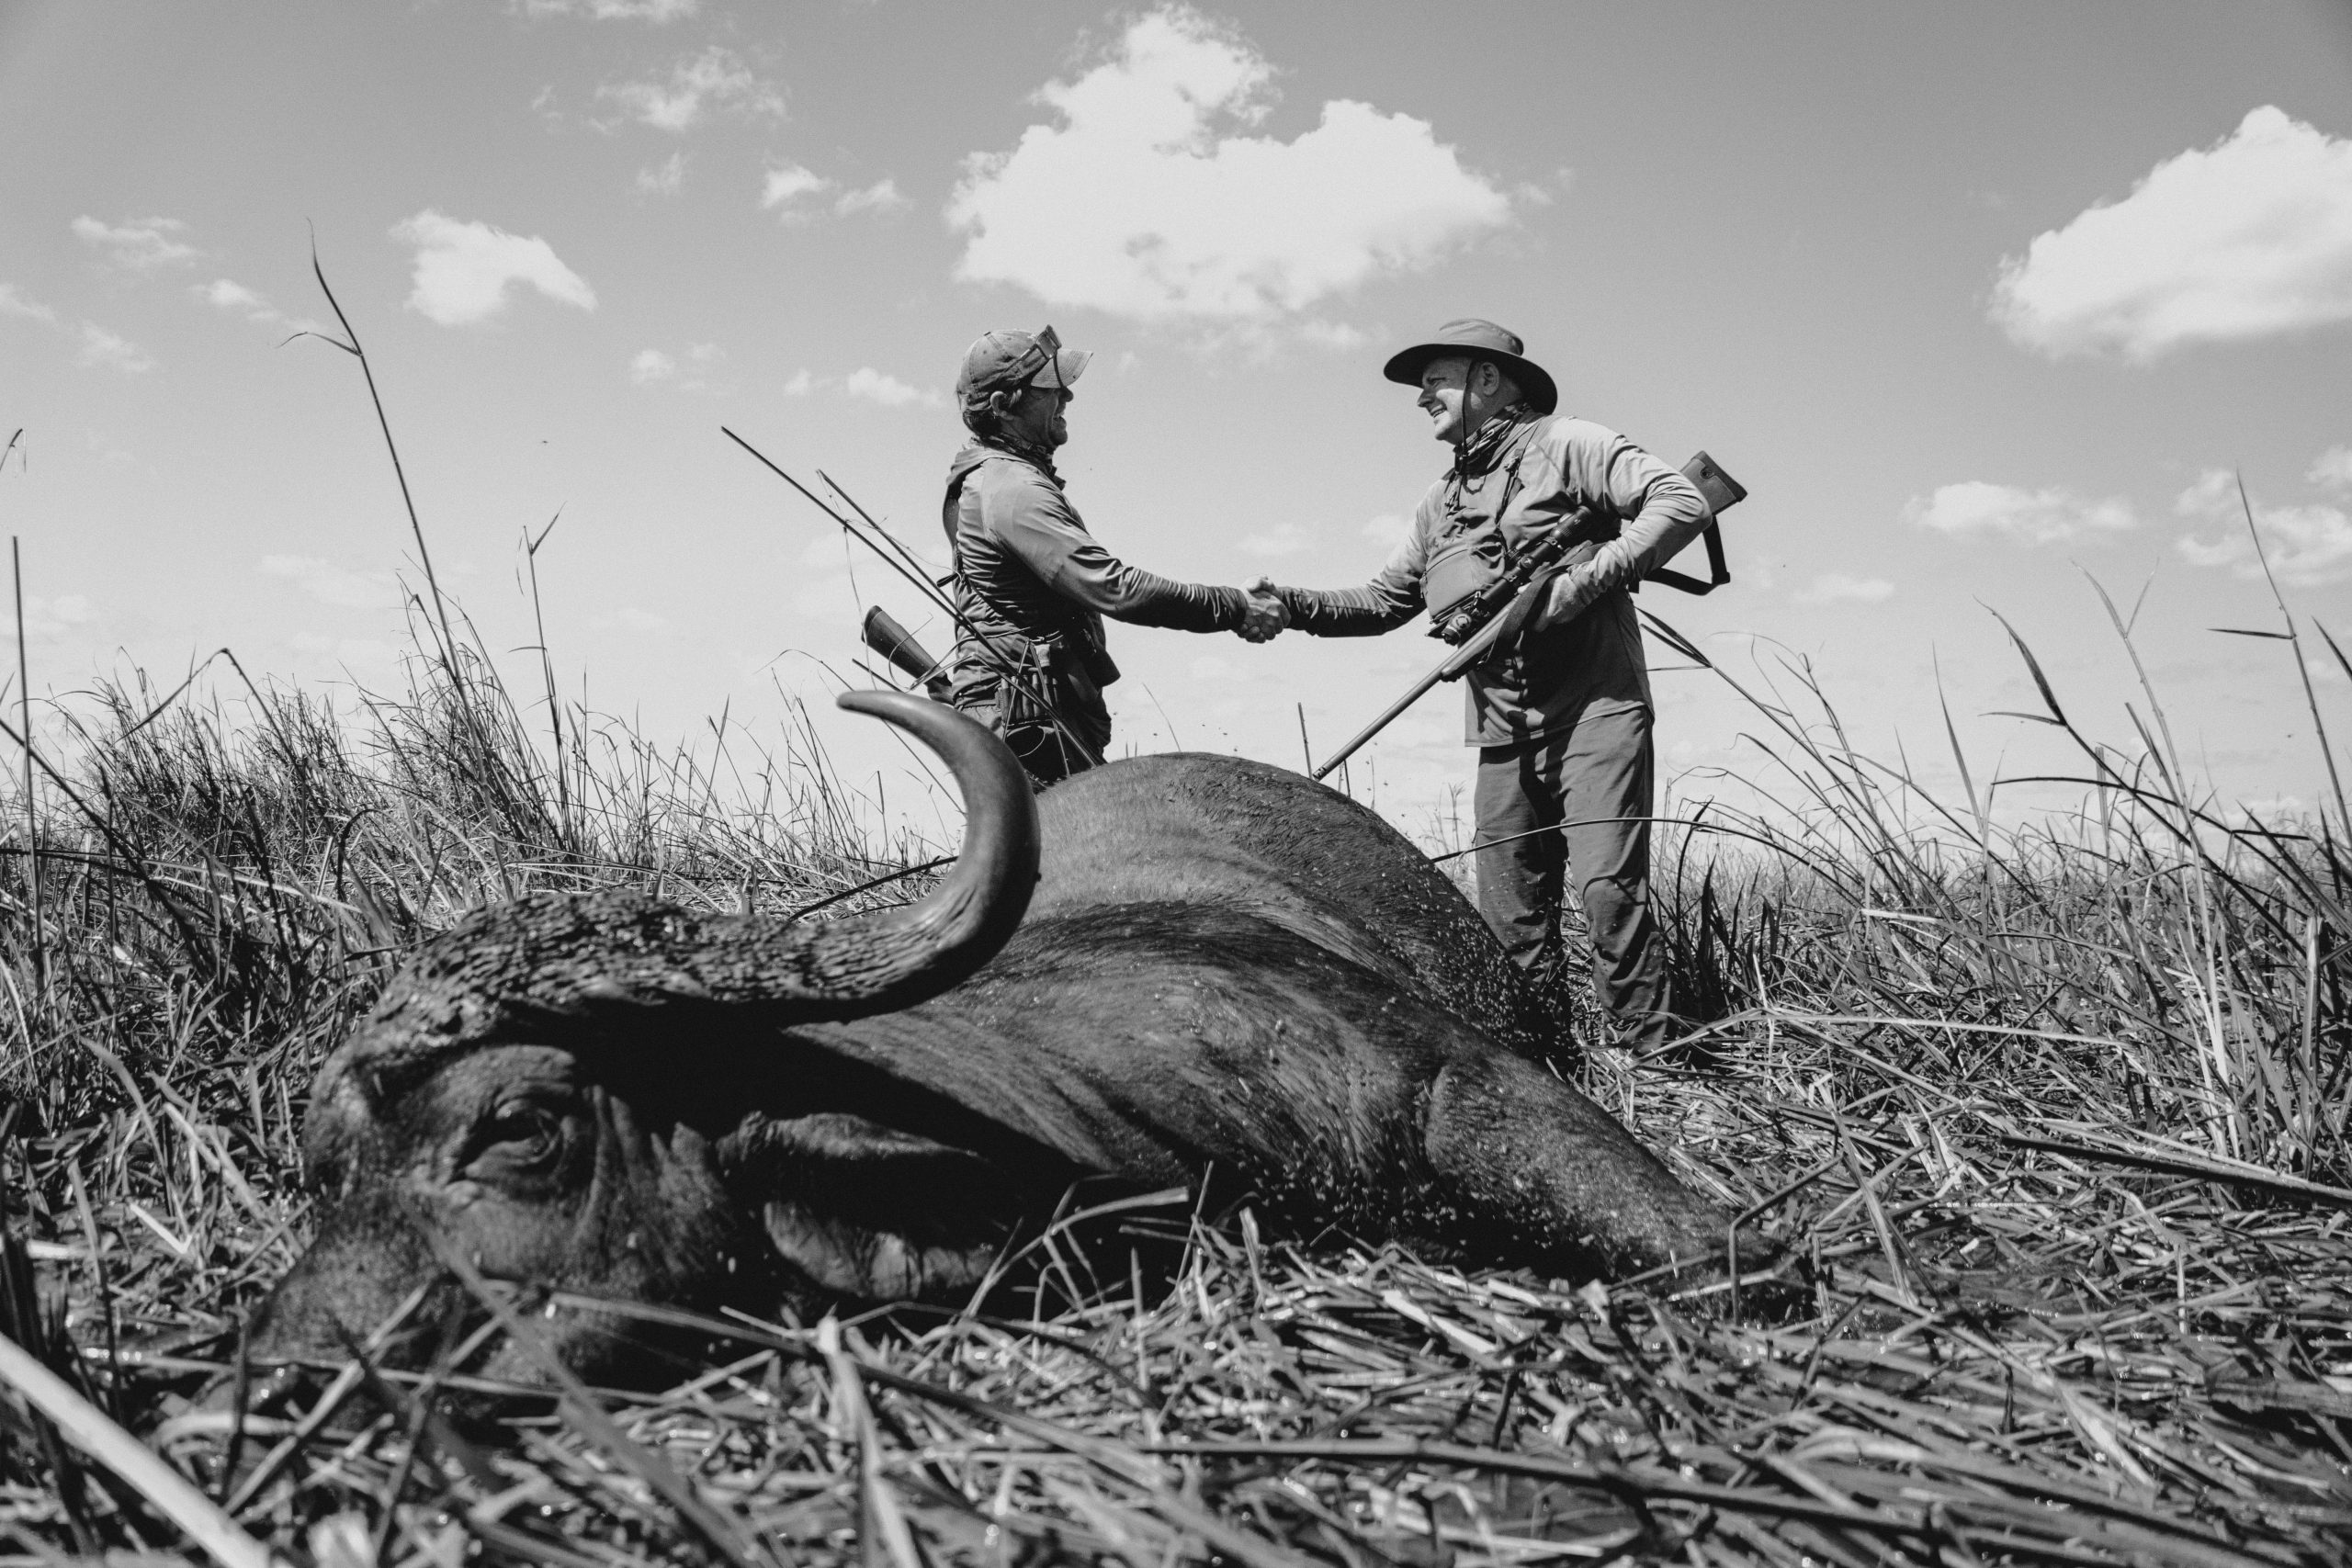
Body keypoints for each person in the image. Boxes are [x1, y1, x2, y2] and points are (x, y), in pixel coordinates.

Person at [1261, 320, 1712, 1052]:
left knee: (1607, 892)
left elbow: (1680, 501)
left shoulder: (1569, 444)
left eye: (1434, 380)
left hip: (1596, 711)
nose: (1421, 399)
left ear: (1488, 379)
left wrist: (1582, 585)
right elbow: (1382, 602)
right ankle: (1542, 1064)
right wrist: (1292, 605)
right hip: (1502, 732)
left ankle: (1661, 1063)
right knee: (1509, 919)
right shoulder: (1439, 502)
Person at [943, 326, 1286, 786]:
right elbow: (1116, 588)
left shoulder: (997, 479)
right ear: (1005, 406)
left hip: (1034, 718)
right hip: (1027, 727)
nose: (1067, 396)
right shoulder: (1010, 490)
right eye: (1049, 388)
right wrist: (1235, 606)